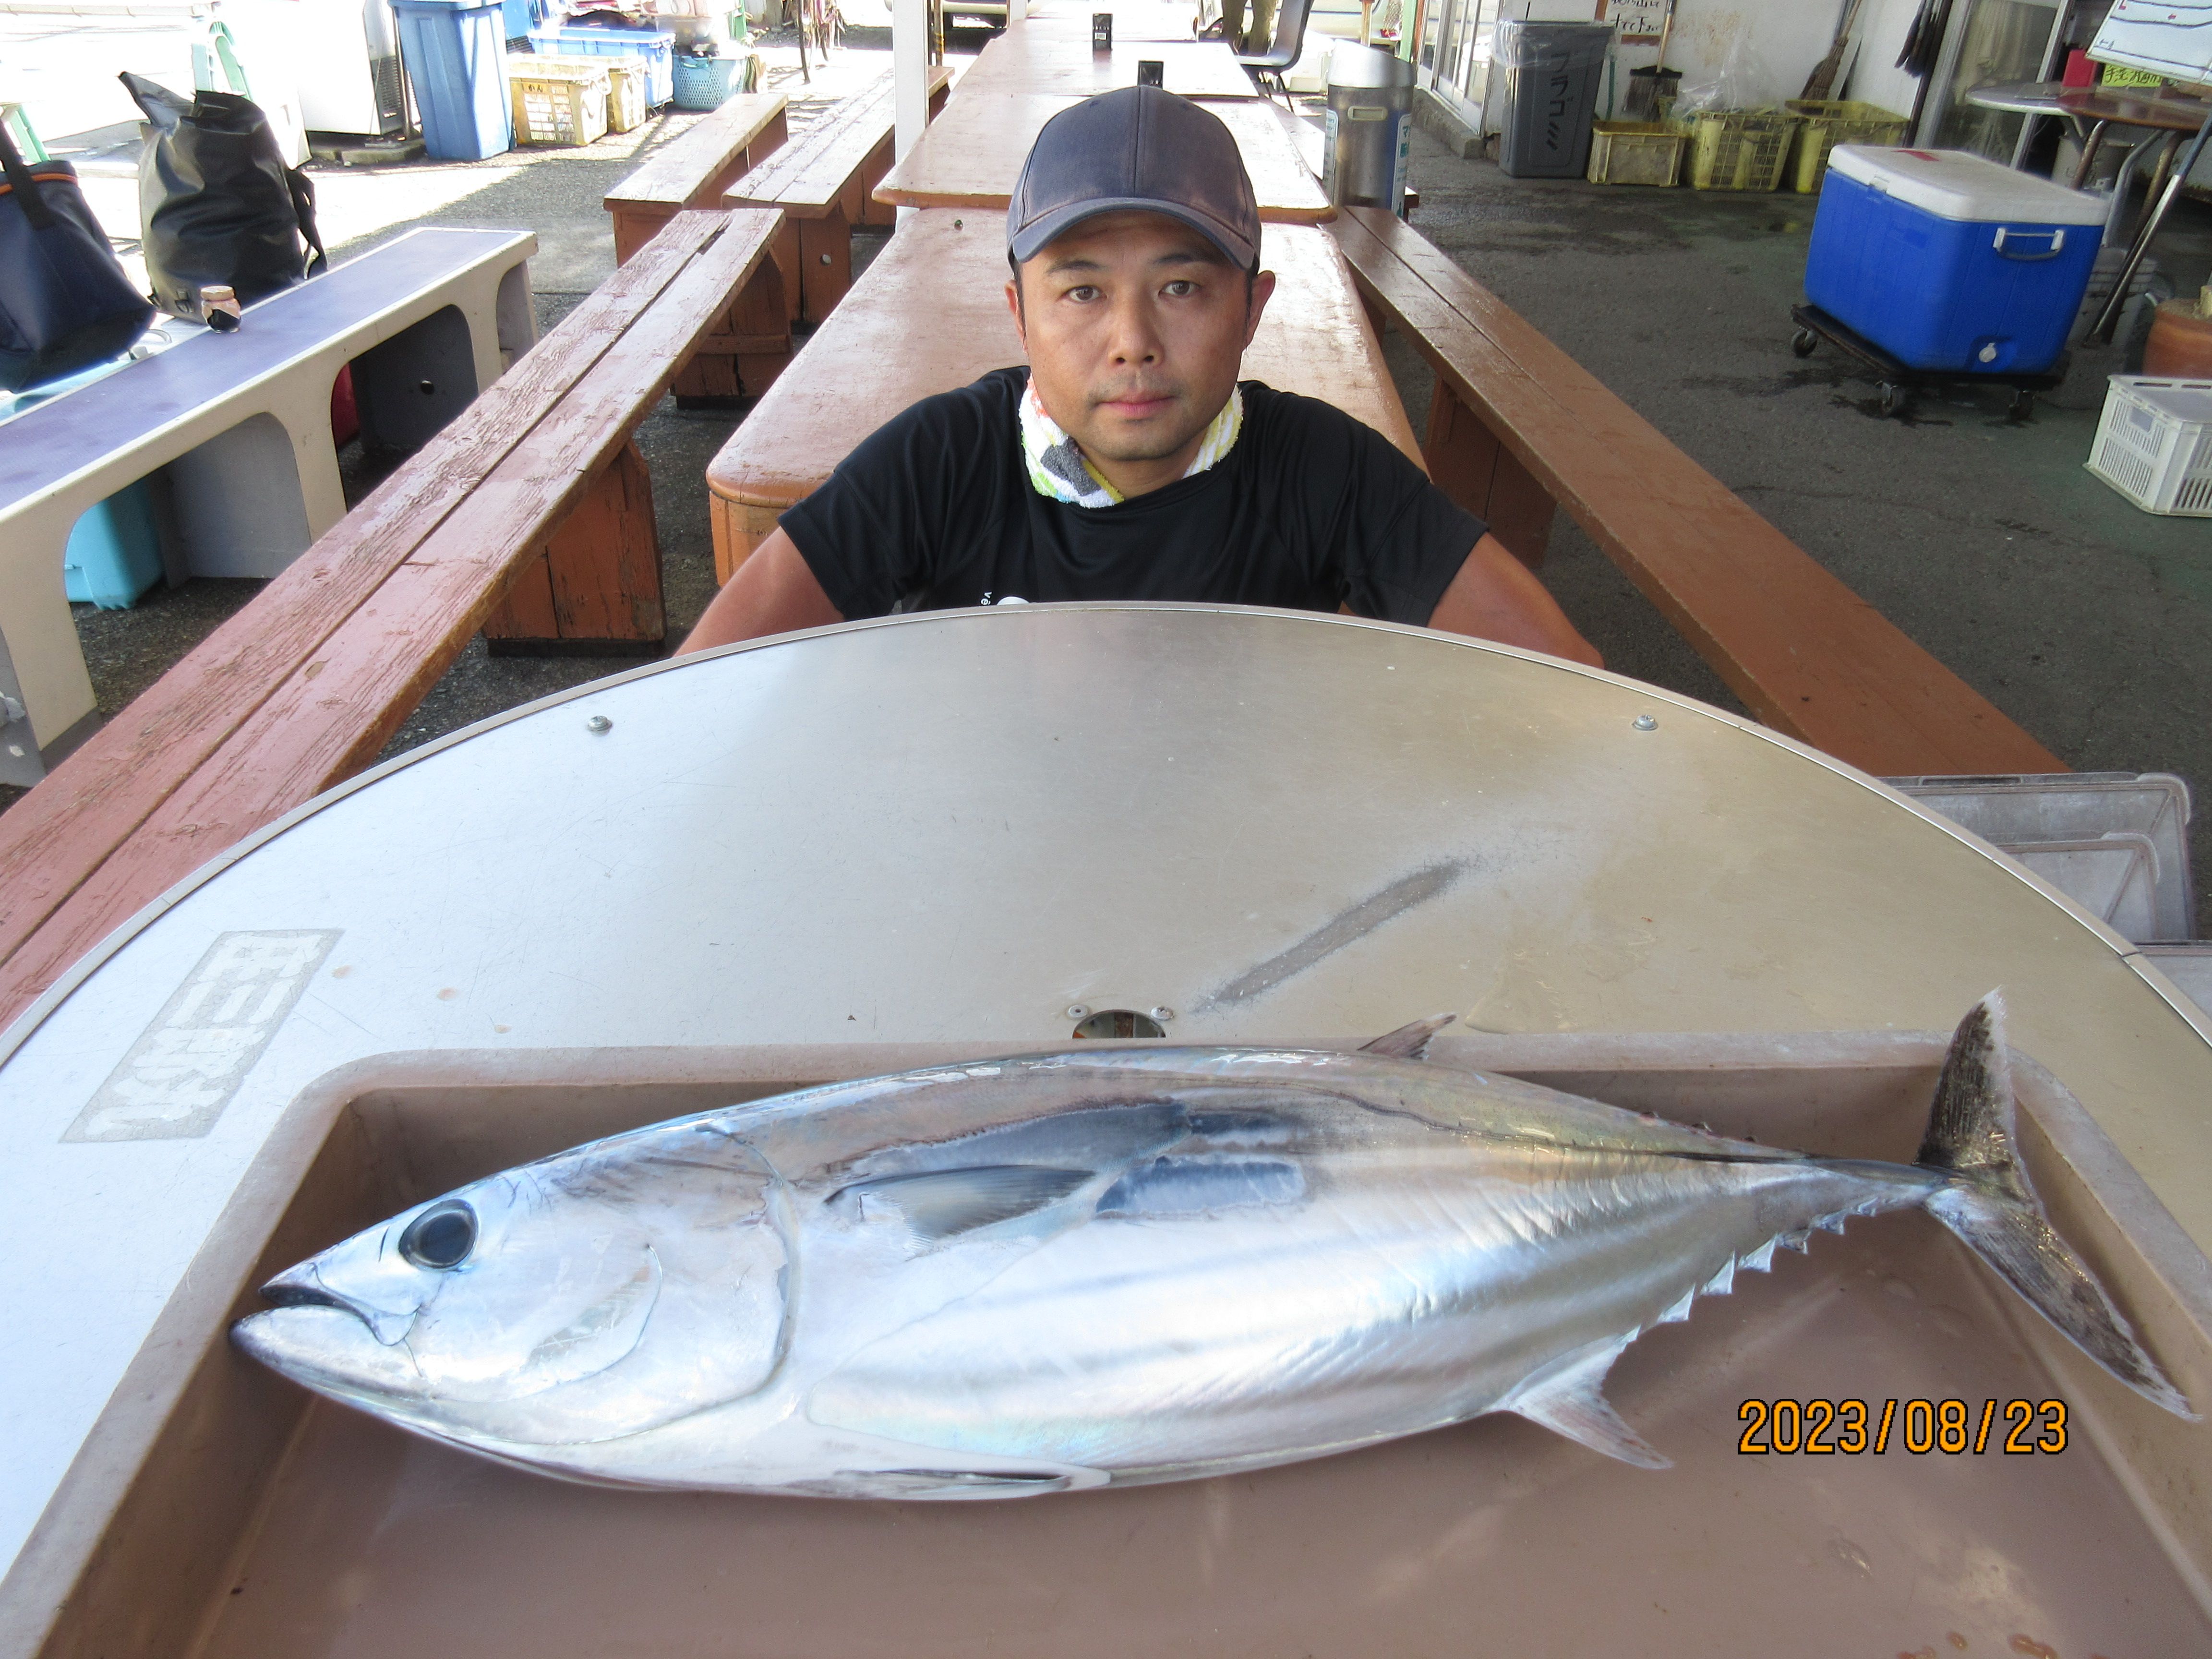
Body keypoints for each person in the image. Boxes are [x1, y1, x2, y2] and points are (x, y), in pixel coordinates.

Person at [680, 86, 1600, 667]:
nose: (1132, 342)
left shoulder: (1326, 470)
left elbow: (1565, 682)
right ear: (1019, 315)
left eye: (1181, 287)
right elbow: (708, 684)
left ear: (1252, 309)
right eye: (1082, 291)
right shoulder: (941, 460)